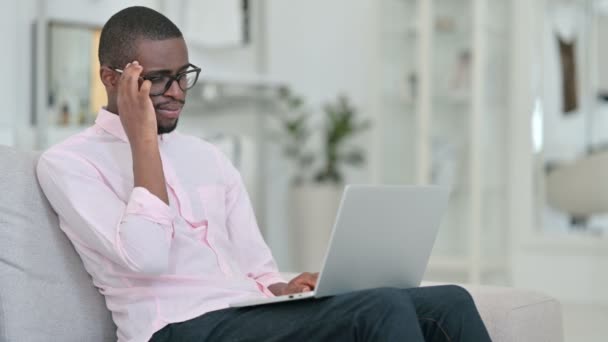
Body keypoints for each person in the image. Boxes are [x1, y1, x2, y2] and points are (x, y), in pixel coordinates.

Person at [36, 6, 492, 342]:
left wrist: (283, 289)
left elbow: (256, 269)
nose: (177, 93)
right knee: (380, 307)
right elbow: (149, 255)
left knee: (450, 301)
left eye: (184, 75)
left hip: (245, 315)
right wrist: (144, 142)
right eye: (158, 79)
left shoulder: (207, 157)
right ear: (113, 79)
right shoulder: (68, 164)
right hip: (175, 328)